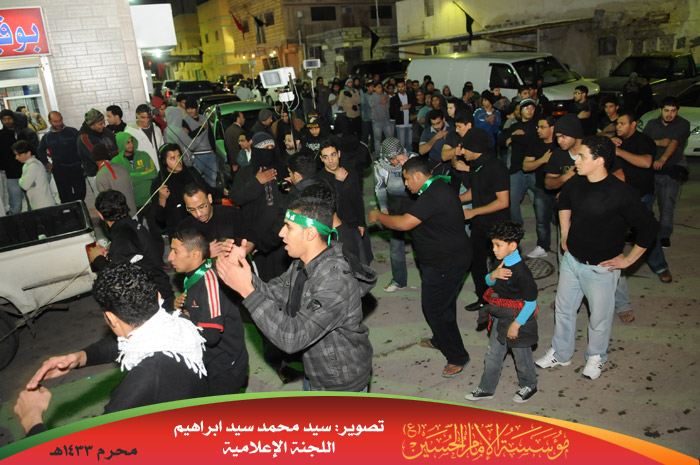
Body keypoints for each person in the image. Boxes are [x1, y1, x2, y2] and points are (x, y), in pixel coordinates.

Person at [15, 264, 208, 436]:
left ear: (111, 318)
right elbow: (127, 342)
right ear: (157, 296)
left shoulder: (145, 378)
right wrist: (79, 358)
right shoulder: (178, 324)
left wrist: (32, 419)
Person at [217, 185, 376, 391]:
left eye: (288, 227)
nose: (281, 233)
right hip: (315, 371)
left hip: (341, 384)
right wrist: (244, 274)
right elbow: (274, 293)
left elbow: (292, 338)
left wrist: (247, 290)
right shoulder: (302, 264)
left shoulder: (335, 281)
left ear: (310, 233)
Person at [535, 136, 658, 380]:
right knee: (564, 310)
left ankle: (596, 356)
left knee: (599, 319)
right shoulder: (576, 181)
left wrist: (628, 261)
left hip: (601, 269)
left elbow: (649, 229)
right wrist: (565, 234)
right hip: (572, 261)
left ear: (600, 160)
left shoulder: (622, 193)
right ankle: (561, 353)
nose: (576, 161)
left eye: (582, 156)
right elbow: (564, 203)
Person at [369, 156, 472, 378]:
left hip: (446, 263)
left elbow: (404, 223)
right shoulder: (435, 188)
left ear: (418, 175)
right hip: (440, 261)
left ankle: (457, 356)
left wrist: (379, 216)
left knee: (434, 309)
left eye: (407, 179)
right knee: (444, 305)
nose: (406, 185)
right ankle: (441, 339)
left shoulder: (434, 194)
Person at [465, 221, 538, 403]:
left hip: (519, 319)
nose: (494, 250)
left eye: (498, 245)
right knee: (493, 354)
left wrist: (516, 325)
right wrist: (493, 275)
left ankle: (529, 384)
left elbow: (531, 303)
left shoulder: (522, 273)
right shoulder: (500, 261)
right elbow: (488, 282)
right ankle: (486, 388)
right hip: (501, 315)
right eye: (493, 245)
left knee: (522, 357)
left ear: (512, 246)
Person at [169, 229, 249, 395]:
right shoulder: (194, 277)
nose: (170, 257)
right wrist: (182, 308)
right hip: (207, 360)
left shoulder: (209, 282)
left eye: (175, 252)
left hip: (224, 367)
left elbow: (211, 336)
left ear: (196, 255)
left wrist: (183, 318)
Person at [89, 190, 174, 309]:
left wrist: (97, 258)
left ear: (101, 215)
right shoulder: (133, 226)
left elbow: (118, 280)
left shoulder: (123, 238)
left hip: (154, 302)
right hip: (159, 291)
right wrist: (111, 256)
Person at [459, 128, 510, 314]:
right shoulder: (475, 166)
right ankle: (483, 299)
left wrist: (473, 212)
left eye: (464, 148)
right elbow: (474, 192)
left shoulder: (497, 167)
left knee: (502, 267)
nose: (461, 152)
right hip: (480, 224)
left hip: (498, 226)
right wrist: (453, 200)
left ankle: (506, 303)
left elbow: (503, 201)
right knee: (477, 262)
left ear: (475, 148)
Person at [642, 96, 691, 248]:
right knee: (644, 203)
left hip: (671, 169)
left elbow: (674, 143)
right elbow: (643, 142)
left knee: (667, 205)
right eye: (666, 111)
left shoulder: (683, 124)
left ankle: (664, 235)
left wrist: (662, 159)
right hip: (650, 170)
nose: (670, 114)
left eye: (673, 111)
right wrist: (658, 142)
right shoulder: (652, 124)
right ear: (660, 110)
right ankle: (644, 232)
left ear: (677, 111)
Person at [316, 139, 371, 264]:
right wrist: (338, 182)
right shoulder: (320, 179)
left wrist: (361, 222)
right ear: (321, 159)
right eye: (326, 157)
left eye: (333, 155)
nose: (331, 160)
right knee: (342, 266)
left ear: (339, 154)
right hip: (335, 230)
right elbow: (329, 206)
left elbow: (358, 199)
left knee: (362, 263)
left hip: (353, 225)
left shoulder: (350, 172)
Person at [373, 138, 414, 292]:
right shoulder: (379, 166)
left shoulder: (412, 158)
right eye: (391, 159)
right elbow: (380, 188)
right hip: (394, 204)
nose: (395, 162)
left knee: (422, 242)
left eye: (397, 157)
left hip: (414, 200)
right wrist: (384, 208)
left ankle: (430, 278)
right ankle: (399, 280)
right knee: (396, 246)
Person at [179, 183, 255, 258]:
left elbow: (251, 239)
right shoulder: (185, 228)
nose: (198, 214)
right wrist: (205, 254)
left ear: (209, 199)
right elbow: (181, 259)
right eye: (192, 209)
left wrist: (238, 255)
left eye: (201, 207)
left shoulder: (231, 214)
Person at [522, 116, 558, 258]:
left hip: (560, 189)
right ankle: (543, 246)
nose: (538, 130)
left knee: (561, 220)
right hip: (541, 188)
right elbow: (526, 166)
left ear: (552, 128)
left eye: (542, 127)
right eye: (538, 127)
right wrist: (542, 160)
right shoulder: (535, 144)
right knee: (542, 220)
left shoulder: (560, 144)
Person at [36, 111, 85, 203]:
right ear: (50, 121)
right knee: (65, 197)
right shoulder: (47, 136)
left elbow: (82, 147)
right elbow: (40, 150)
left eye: (60, 120)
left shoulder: (73, 131)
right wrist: (46, 163)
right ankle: (70, 211)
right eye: (55, 121)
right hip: (59, 170)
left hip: (76, 167)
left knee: (81, 193)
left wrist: (84, 163)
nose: (58, 123)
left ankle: (80, 210)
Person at [111, 132, 157, 210]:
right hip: (131, 203)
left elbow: (154, 174)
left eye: (132, 141)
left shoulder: (144, 155)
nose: (131, 145)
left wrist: (131, 176)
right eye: (128, 142)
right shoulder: (115, 162)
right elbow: (123, 181)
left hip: (150, 199)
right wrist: (145, 174)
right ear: (121, 144)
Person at [77, 108, 118, 195]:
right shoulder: (84, 138)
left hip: (112, 168)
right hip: (97, 174)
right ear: (92, 125)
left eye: (104, 122)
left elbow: (116, 143)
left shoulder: (105, 130)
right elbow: (98, 157)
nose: (103, 125)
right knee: (104, 198)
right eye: (100, 124)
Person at [182, 98, 217, 188]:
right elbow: (189, 136)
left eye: (192, 108)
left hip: (209, 153)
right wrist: (201, 129)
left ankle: (212, 195)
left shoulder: (204, 118)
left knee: (212, 178)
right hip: (196, 155)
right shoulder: (184, 121)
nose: (190, 111)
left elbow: (210, 135)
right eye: (188, 109)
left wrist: (213, 148)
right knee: (196, 180)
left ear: (196, 108)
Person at [14, 140, 55, 210]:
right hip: (37, 203)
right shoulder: (27, 165)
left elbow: (25, 185)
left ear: (28, 153)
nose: (16, 157)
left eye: (19, 155)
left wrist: (20, 180)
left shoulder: (33, 166)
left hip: (43, 204)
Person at [125, 104, 164, 173]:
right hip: (143, 171)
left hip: (160, 169)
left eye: (148, 117)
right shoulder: (129, 132)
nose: (146, 120)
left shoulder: (156, 129)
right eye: (143, 117)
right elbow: (129, 154)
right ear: (137, 115)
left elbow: (162, 148)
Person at [419, 109, 451, 175]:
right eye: (433, 124)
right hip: (435, 166)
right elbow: (421, 151)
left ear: (443, 119)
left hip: (451, 165)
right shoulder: (427, 131)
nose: (436, 126)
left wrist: (450, 139)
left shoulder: (453, 128)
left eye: (438, 123)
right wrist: (435, 138)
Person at [368, 82, 393, 157]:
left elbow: (388, 105)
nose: (380, 89)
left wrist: (385, 100)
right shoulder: (371, 97)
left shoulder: (385, 95)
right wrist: (380, 100)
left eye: (381, 87)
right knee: (377, 139)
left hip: (386, 120)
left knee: (390, 138)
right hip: (377, 121)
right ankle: (378, 156)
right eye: (378, 87)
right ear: (374, 88)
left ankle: (390, 154)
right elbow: (372, 105)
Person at [390, 80, 414, 152]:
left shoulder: (410, 96)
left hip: (409, 123)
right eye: (399, 87)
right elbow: (392, 111)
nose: (401, 88)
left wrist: (411, 108)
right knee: (401, 144)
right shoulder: (394, 99)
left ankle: (409, 157)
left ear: (405, 86)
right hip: (400, 124)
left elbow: (414, 106)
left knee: (409, 143)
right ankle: (401, 157)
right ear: (397, 88)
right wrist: (401, 108)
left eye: (402, 86)